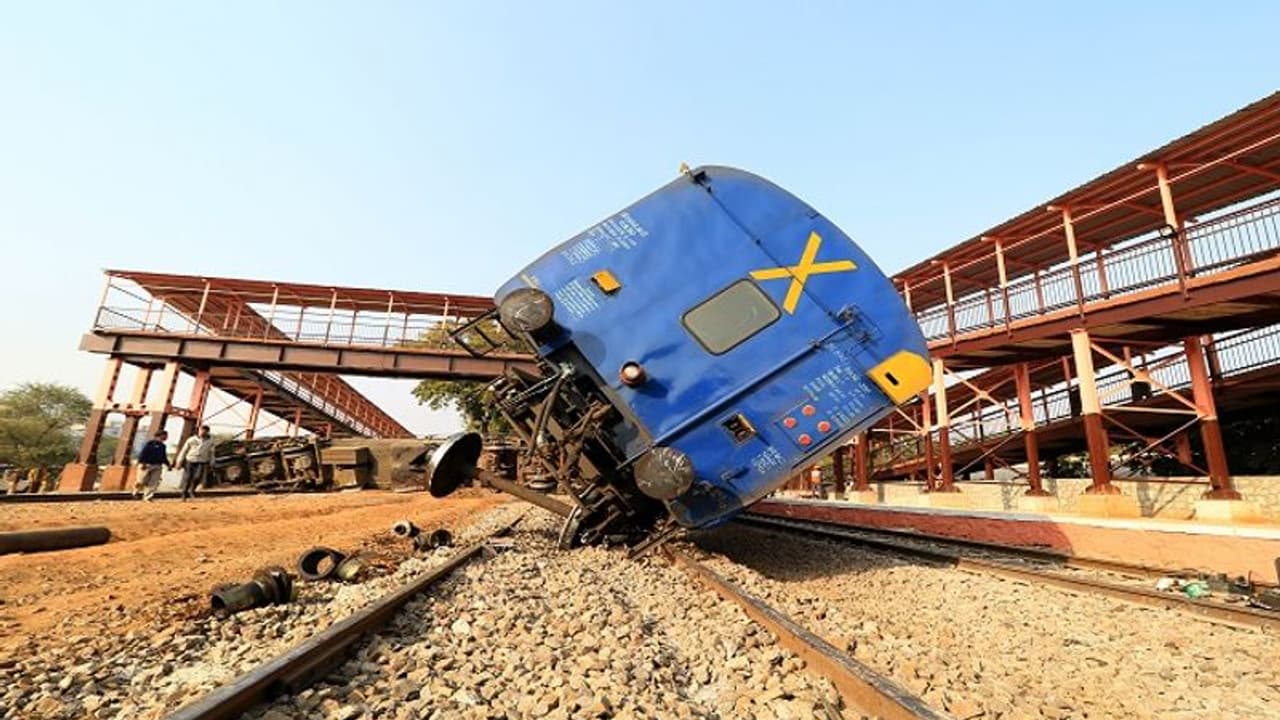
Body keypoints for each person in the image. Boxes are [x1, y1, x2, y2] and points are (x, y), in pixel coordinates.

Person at [176, 425, 215, 500]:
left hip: (202, 461)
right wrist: (179, 461)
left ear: (207, 432)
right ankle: (184, 493)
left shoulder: (211, 441)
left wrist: (212, 462)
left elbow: (212, 453)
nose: (202, 432)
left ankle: (192, 490)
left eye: (204, 431)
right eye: (201, 430)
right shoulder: (191, 439)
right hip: (190, 460)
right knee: (187, 477)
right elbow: (184, 450)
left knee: (197, 477)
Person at [136, 430, 172, 501]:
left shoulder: (163, 446)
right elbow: (143, 454)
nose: (166, 437)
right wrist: (142, 463)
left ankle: (148, 497)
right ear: (160, 435)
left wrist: (168, 465)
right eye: (165, 435)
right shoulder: (150, 444)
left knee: (154, 482)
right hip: (147, 465)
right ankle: (136, 492)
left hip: (157, 466)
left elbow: (163, 457)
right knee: (141, 481)